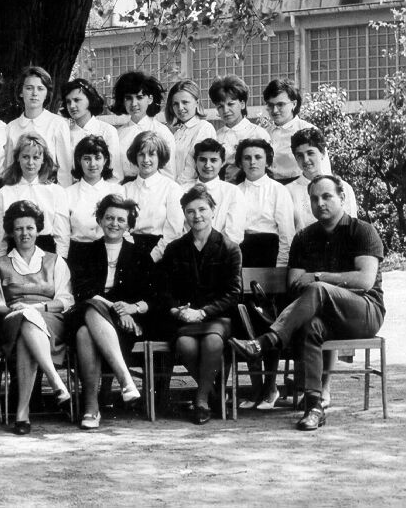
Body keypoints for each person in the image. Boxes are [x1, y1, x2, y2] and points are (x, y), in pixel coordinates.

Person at [231, 175, 385, 431]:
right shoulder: (304, 237)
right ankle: (314, 406)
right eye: (314, 199)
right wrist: (328, 282)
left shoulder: (362, 231)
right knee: (311, 326)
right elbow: (294, 282)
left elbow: (365, 280)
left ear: (342, 198)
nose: (320, 203)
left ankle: (265, 342)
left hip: (363, 312)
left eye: (327, 197)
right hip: (323, 316)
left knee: (317, 288)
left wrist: (319, 277)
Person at [68, 194, 154, 429]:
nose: (114, 223)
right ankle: (125, 379)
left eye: (120, 219)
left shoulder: (140, 254)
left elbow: (154, 295)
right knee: (90, 310)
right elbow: (82, 291)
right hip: (90, 313)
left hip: (123, 326)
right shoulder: (84, 251)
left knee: (85, 334)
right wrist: (118, 310)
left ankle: (91, 408)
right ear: (99, 219)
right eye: (109, 218)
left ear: (129, 225)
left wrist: (132, 309)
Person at [161, 185, 242, 424]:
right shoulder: (174, 249)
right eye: (190, 211)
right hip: (185, 318)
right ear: (184, 214)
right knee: (185, 345)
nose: (197, 216)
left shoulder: (230, 248)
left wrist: (204, 312)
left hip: (218, 318)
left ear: (213, 211)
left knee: (213, 341)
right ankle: (215, 395)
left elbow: (234, 293)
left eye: (202, 209)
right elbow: (165, 290)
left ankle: (202, 400)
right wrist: (176, 310)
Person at [0, 200, 73, 435]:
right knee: (25, 322)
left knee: (27, 328)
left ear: (38, 230)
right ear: (11, 232)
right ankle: (55, 380)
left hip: (50, 320)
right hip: (12, 320)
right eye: (18, 229)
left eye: (29, 228)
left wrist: (36, 308)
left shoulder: (55, 260)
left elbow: (66, 300)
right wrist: (17, 312)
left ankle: (22, 414)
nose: (24, 233)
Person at [0, 132, 70, 258]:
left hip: (47, 252)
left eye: (36, 157)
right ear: (18, 158)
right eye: (25, 157)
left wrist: (60, 261)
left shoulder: (56, 192)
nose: (30, 162)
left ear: (43, 159)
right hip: (14, 252)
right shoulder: (5, 192)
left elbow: (62, 235)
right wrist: (0, 261)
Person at [4, 66, 74, 187]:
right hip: (19, 190)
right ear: (21, 92)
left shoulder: (57, 124)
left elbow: (65, 170)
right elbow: (9, 167)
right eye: (29, 88)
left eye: (40, 88)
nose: (34, 93)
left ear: (47, 94)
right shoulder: (11, 127)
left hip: (49, 191)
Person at [122, 131, 184, 262]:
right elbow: (121, 226)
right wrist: (130, 250)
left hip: (162, 252)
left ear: (160, 157)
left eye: (151, 154)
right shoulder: (125, 189)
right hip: (129, 251)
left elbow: (174, 231)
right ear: (135, 156)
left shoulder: (171, 188)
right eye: (141, 154)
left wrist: (153, 257)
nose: (146, 160)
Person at [236, 138, 295, 267]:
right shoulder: (234, 191)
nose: (252, 162)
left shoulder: (278, 190)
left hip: (268, 253)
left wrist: (281, 265)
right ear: (240, 163)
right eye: (247, 158)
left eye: (258, 157)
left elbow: (287, 233)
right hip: (239, 253)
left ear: (267, 162)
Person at [288, 127, 357, 231]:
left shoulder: (344, 187)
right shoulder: (288, 191)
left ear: (322, 153)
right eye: (300, 155)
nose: (305, 160)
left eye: (310, 153)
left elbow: (352, 228)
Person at [112, 71, 176, 182]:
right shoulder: (117, 135)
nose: (133, 103)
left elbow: (169, 174)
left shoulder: (161, 132)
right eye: (128, 98)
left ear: (150, 99)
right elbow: (114, 173)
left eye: (139, 97)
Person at [262, 78, 330, 183]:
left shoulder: (308, 131)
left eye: (280, 104)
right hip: (270, 188)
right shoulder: (263, 133)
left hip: (301, 187)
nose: (275, 110)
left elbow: (324, 169)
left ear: (294, 104)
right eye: (270, 105)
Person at [209, 75, 270, 183]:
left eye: (230, 104)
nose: (225, 110)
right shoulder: (215, 137)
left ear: (242, 104)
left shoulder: (258, 134)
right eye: (220, 106)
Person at [66, 135, 123, 249]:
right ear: (79, 160)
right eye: (87, 159)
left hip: (109, 250)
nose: (92, 164)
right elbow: (64, 233)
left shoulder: (117, 191)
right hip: (78, 251)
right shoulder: (67, 193)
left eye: (97, 158)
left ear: (105, 160)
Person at [184, 139, 245, 244]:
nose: (207, 165)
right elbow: (177, 229)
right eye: (202, 160)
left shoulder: (233, 192)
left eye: (213, 160)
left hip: (221, 251)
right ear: (195, 161)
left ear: (222, 163)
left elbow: (234, 234)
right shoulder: (182, 190)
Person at [61, 78, 120, 182]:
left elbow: (116, 174)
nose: (72, 106)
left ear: (90, 100)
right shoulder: (64, 133)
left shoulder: (107, 131)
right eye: (68, 102)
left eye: (77, 100)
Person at [166, 80, 215, 185]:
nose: (180, 108)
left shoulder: (204, 128)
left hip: (191, 188)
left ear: (197, 103)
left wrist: (175, 189)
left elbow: (192, 168)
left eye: (185, 102)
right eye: (175, 104)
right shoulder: (177, 132)